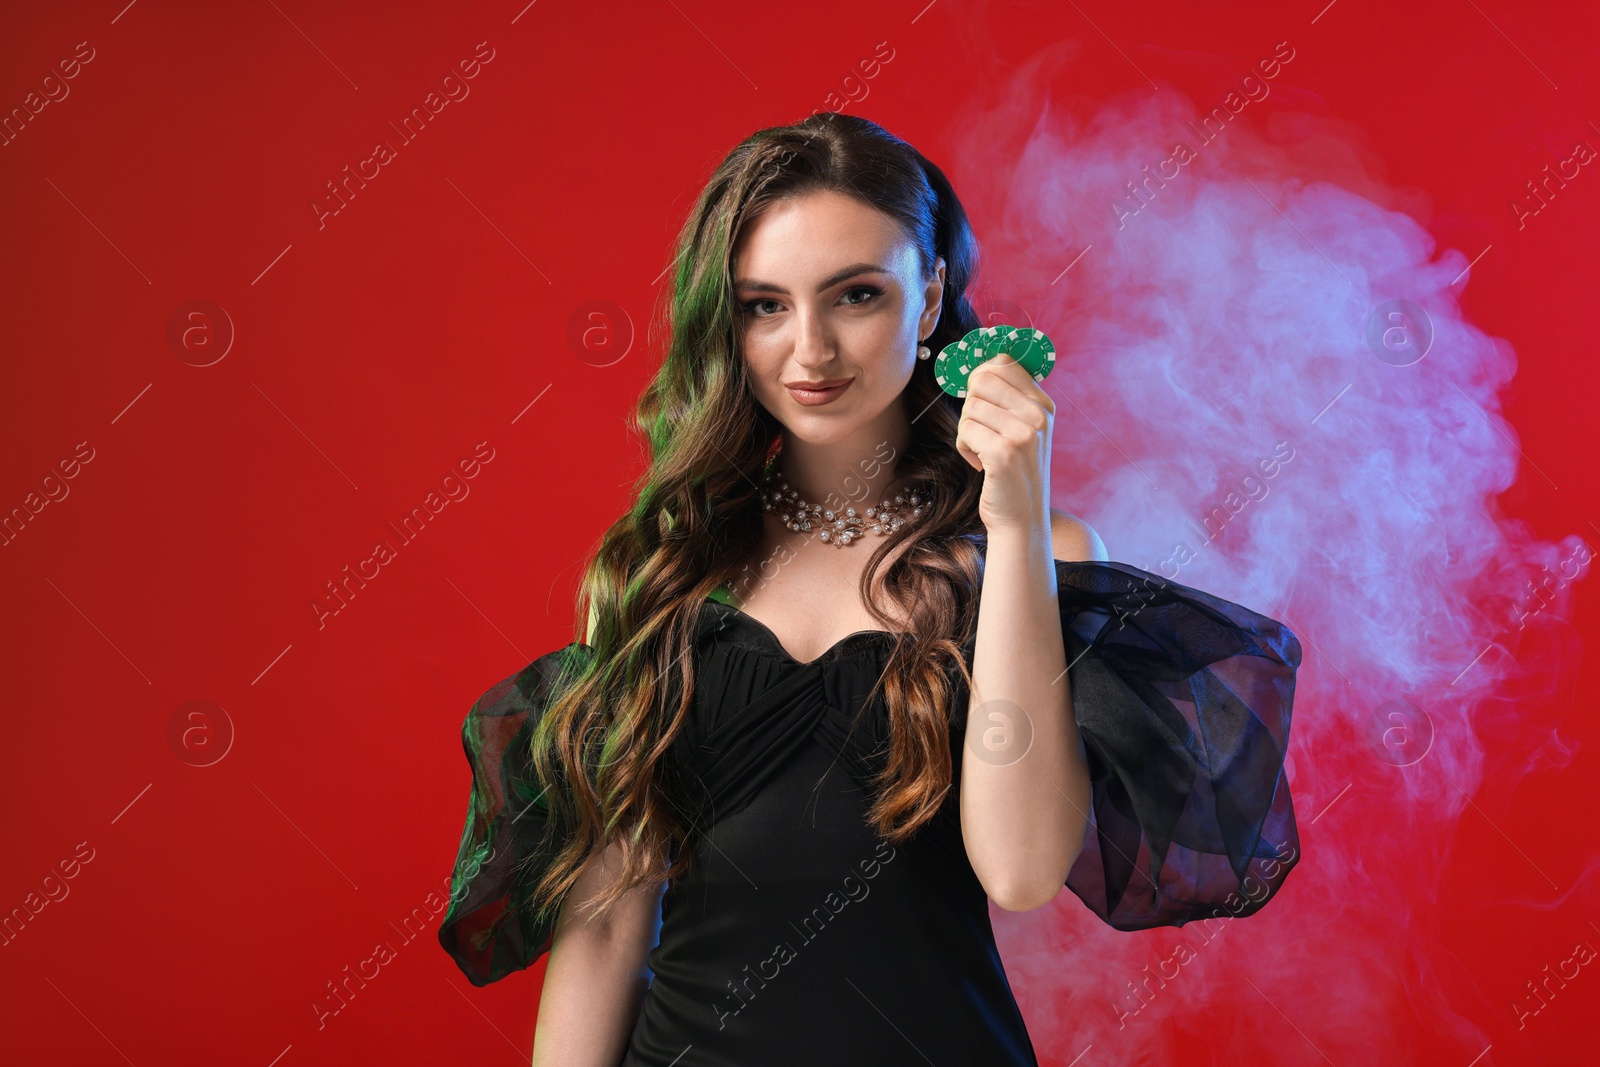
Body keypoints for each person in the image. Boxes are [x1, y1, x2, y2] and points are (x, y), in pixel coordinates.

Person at [438, 113, 1303, 1066]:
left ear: (930, 296)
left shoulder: (1032, 551)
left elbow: (1019, 870)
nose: (810, 351)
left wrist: (1014, 525)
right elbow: (604, 927)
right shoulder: (666, 569)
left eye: (854, 295)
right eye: (765, 305)